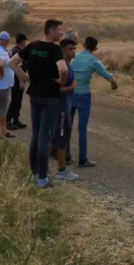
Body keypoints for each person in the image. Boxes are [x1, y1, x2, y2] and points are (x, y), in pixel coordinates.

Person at [8, 19, 68, 188]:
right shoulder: (55, 50)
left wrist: (24, 77)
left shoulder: (32, 46)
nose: (61, 33)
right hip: (50, 96)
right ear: (51, 31)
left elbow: (11, 62)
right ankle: (42, 178)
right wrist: (61, 82)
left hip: (34, 95)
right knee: (45, 136)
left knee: (36, 135)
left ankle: (34, 174)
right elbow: (63, 69)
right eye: (59, 30)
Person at [69, 36, 118, 167]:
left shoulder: (74, 57)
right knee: (82, 128)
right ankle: (82, 158)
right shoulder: (93, 61)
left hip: (71, 94)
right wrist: (114, 83)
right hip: (84, 95)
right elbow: (107, 75)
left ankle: (66, 155)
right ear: (95, 48)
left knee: (67, 125)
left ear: (83, 44)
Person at [53, 38, 79, 181]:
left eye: (74, 48)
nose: (73, 51)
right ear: (62, 49)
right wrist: (71, 87)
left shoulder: (69, 65)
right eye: (70, 49)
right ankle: (61, 170)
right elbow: (55, 89)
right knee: (62, 137)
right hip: (61, 107)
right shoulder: (61, 67)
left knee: (60, 136)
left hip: (66, 106)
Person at [6, 33, 29, 131]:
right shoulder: (18, 51)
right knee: (15, 100)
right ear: (22, 41)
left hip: (16, 78)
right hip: (16, 79)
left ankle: (16, 119)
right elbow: (18, 67)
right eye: (25, 40)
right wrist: (21, 81)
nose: (26, 42)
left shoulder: (15, 50)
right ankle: (8, 121)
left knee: (18, 100)